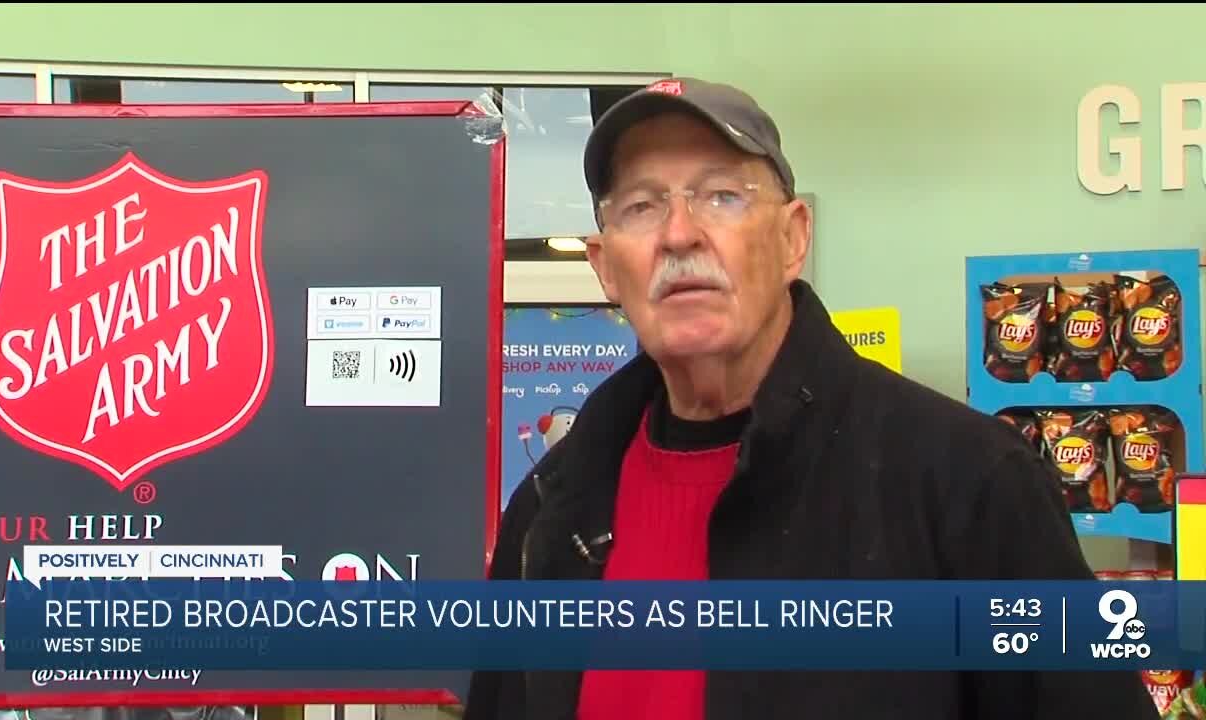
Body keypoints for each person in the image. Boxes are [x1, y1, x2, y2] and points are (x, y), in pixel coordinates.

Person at [462, 77, 1158, 720]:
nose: (679, 234)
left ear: (794, 237)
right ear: (606, 267)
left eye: (722, 195)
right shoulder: (550, 514)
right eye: (642, 207)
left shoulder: (968, 486)